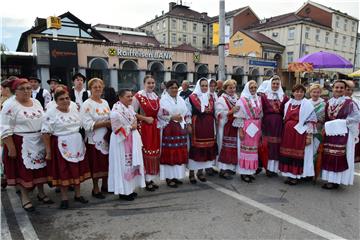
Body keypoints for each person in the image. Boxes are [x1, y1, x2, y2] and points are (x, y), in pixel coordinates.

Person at [1, 78, 52, 212]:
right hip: (21, 141)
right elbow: (4, 127)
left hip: (39, 139)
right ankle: (25, 197)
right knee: (24, 171)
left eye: (29, 88)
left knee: (41, 168)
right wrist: (11, 147)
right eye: (22, 89)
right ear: (15, 91)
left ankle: (41, 193)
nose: (26, 91)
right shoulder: (10, 105)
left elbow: (44, 119)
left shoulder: (36, 102)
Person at [42, 88, 90, 209]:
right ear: (56, 101)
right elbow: (45, 133)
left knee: (77, 169)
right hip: (61, 144)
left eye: (67, 98)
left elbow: (81, 124)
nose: (65, 101)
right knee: (63, 171)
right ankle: (64, 198)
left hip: (76, 143)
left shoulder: (74, 109)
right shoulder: (51, 113)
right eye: (61, 99)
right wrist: (48, 151)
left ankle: (78, 195)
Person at [321, 80, 360, 189]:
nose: (339, 89)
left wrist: (344, 122)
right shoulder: (329, 102)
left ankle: (336, 181)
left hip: (342, 133)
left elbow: (357, 117)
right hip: (331, 133)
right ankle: (330, 179)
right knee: (329, 155)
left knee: (338, 156)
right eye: (336, 87)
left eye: (341, 88)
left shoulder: (349, 103)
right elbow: (326, 118)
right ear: (332, 88)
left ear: (345, 90)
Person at [108, 89, 145, 201]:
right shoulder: (115, 111)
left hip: (131, 139)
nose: (130, 98)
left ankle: (130, 189)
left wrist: (133, 125)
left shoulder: (130, 108)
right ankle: (123, 191)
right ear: (120, 97)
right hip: (121, 141)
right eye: (128, 96)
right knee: (123, 165)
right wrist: (130, 127)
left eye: (131, 96)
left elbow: (134, 120)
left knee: (130, 165)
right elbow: (116, 129)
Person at [278, 84, 317, 185]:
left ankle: (295, 176)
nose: (299, 93)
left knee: (297, 154)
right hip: (288, 133)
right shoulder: (288, 103)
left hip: (300, 133)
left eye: (301, 91)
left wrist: (309, 136)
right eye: (296, 91)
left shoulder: (307, 104)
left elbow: (311, 121)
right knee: (287, 153)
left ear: (304, 93)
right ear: (293, 92)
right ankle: (289, 175)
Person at [81, 78, 111, 199]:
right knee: (96, 163)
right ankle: (95, 188)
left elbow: (110, 117)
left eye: (100, 86)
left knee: (106, 162)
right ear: (90, 89)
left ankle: (105, 184)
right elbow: (87, 125)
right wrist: (105, 123)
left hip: (106, 137)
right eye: (95, 87)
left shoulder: (105, 102)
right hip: (93, 139)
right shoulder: (87, 104)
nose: (98, 89)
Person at [158, 80, 191, 188]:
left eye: (176, 87)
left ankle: (176, 176)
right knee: (170, 152)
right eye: (172, 88)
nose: (174, 90)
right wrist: (171, 117)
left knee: (179, 152)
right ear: (167, 89)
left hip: (180, 128)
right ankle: (169, 177)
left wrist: (184, 119)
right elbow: (160, 114)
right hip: (169, 128)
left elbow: (185, 111)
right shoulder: (163, 100)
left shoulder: (181, 99)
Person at [132, 75, 161, 192]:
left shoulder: (155, 96)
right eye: (149, 83)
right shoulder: (138, 96)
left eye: (153, 83)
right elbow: (132, 113)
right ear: (144, 83)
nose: (151, 85)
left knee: (154, 152)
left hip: (154, 127)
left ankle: (150, 178)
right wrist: (145, 118)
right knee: (146, 152)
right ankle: (144, 179)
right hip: (143, 127)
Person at [187, 78, 217, 183]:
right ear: (198, 86)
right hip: (197, 125)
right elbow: (188, 112)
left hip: (208, 126)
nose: (204, 88)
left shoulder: (211, 98)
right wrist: (189, 124)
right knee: (195, 149)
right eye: (202, 85)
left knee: (205, 148)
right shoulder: (191, 97)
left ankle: (200, 172)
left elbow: (214, 112)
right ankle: (191, 173)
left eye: (206, 86)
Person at [233, 80, 263, 183]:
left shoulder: (258, 99)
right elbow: (239, 117)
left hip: (256, 127)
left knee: (254, 151)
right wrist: (240, 131)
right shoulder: (242, 100)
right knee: (245, 151)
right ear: (247, 88)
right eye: (251, 88)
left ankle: (250, 172)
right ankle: (243, 172)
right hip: (246, 127)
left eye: (255, 87)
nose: (253, 89)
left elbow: (260, 114)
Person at [261, 75, 289, 177]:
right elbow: (260, 110)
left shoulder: (284, 97)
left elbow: (286, 111)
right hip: (267, 123)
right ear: (270, 84)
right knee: (268, 146)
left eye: (277, 84)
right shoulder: (264, 96)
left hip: (279, 123)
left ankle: (275, 169)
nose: (275, 85)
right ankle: (267, 168)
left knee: (277, 146)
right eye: (274, 83)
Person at [216, 79, 239, 179]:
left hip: (234, 126)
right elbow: (219, 114)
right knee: (224, 147)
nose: (232, 90)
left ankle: (231, 168)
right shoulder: (221, 99)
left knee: (233, 147)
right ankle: (223, 169)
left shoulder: (236, 98)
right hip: (225, 127)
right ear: (225, 89)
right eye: (230, 88)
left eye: (234, 88)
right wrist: (230, 111)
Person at [308, 84, 326, 179]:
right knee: (307, 151)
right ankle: (306, 171)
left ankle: (313, 173)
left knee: (315, 151)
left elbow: (325, 117)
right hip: (307, 131)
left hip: (318, 131)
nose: (315, 94)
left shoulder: (323, 104)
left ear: (320, 93)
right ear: (310, 92)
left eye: (318, 92)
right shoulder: (306, 102)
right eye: (313, 92)